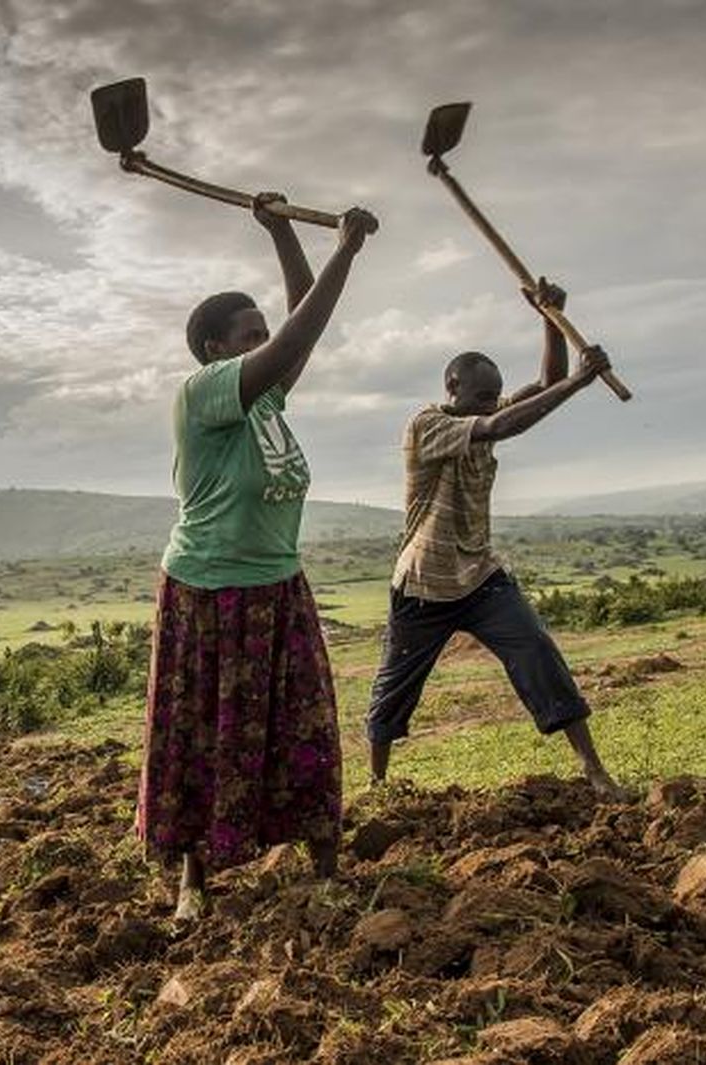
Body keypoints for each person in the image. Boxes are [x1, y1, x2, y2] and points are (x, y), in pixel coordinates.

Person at [136, 195, 379, 920]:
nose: (266, 340)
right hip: (210, 593)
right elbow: (299, 334)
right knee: (202, 736)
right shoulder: (207, 392)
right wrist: (345, 251)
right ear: (215, 349)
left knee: (304, 724)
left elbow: (298, 331)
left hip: (278, 586)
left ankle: (327, 871)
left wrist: (281, 233)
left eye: (263, 332)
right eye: (250, 334)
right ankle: (194, 883)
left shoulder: (265, 398)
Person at [365, 279, 628, 800]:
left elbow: (543, 384)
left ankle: (594, 770)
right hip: (425, 585)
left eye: (492, 397)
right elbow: (506, 425)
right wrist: (579, 383)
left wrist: (549, 319)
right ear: (452, 387)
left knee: (536, 650)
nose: (490, 404)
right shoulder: (427, 425)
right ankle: (377, 786)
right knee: (396, 688)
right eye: (482, 397)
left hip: (481, 575)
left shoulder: (483, 413)